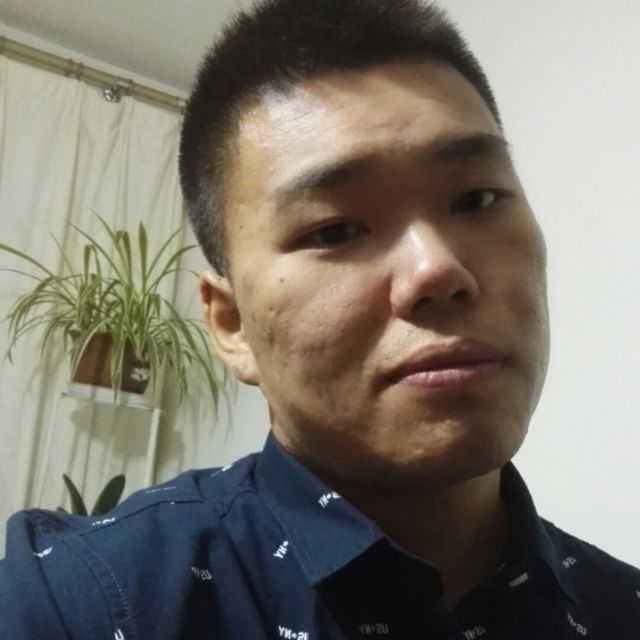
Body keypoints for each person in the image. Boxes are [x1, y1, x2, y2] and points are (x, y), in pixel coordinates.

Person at [1, 0, 639, 638]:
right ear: (231, 325)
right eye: (334, 230)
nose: (437, 269)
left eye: (477, 198)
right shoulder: (76, 603)